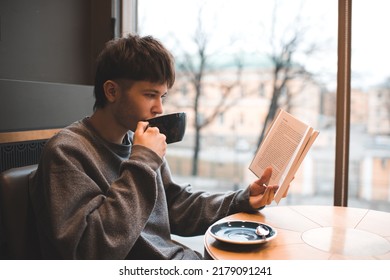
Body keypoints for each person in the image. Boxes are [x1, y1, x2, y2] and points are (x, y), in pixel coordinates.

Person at [29, 34, 286, 260]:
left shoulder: (139, 142)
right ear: (111, 91)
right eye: (150, 95)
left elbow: (175, 205)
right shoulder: (68, 152)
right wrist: (142, 161)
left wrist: (241, 200)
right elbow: (90, 251)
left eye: (162, 96)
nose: (159, 108)